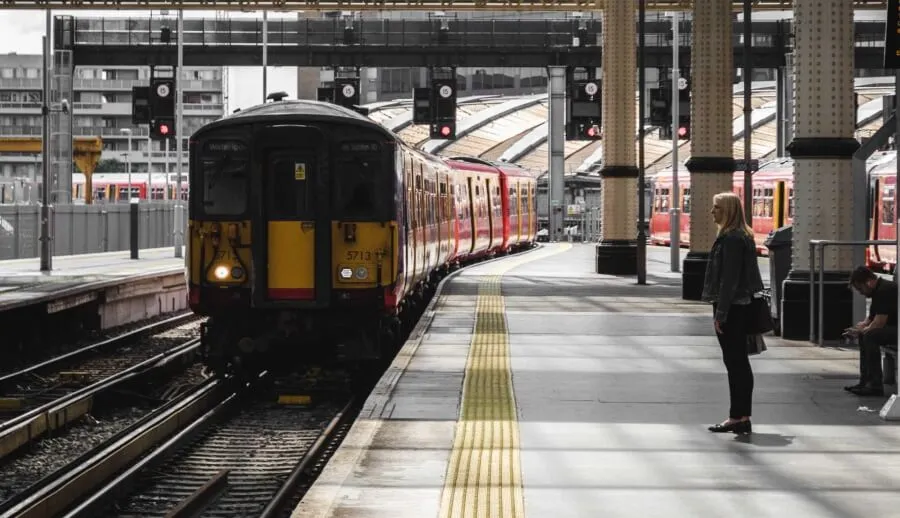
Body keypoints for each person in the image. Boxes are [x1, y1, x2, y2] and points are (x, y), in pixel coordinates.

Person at [701, 192, 765, 434]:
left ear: (727, 211)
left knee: (735, 362)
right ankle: (741, 415)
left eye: (716, 207)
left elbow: (729, 281)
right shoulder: (743, 237)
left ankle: (737, 417)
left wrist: (721, 313)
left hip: (733, 307)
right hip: (741, 305)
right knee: (739, 362)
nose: (712, 211)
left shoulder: (731, 240)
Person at [843, 266, 898, 397]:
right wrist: (857, 329)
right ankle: (865, 382)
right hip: (894, 328)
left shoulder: (885, 290)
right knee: (866, 335)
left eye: (860, 288)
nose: (861, 293)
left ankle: (874, 385)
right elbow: (870, 319)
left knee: (870, 336)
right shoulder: (878, 290)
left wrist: (862, 331)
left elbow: (879, 322)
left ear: (868, 282)